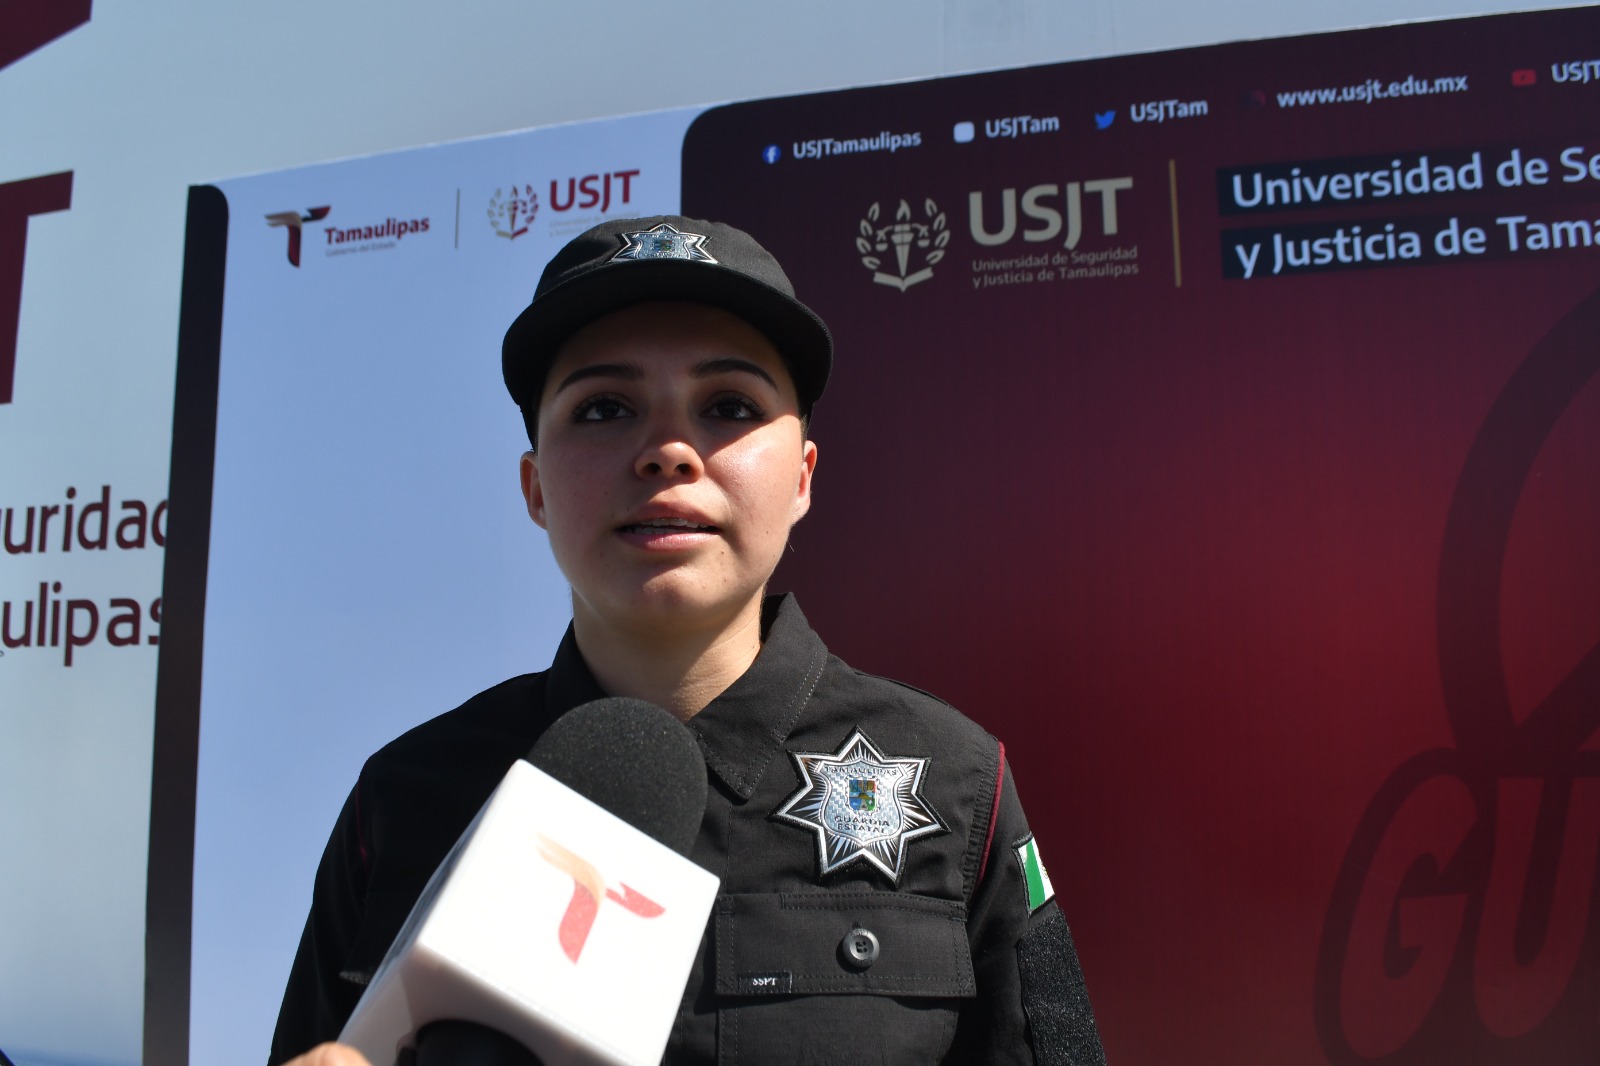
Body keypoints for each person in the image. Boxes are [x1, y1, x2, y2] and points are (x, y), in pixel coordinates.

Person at [270, 216, 1106, 1066]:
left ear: (803, 477)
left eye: (729, 407)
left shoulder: (957, 784)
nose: (668, 452)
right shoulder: (403, 801)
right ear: (535, 487)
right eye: (604, 408)